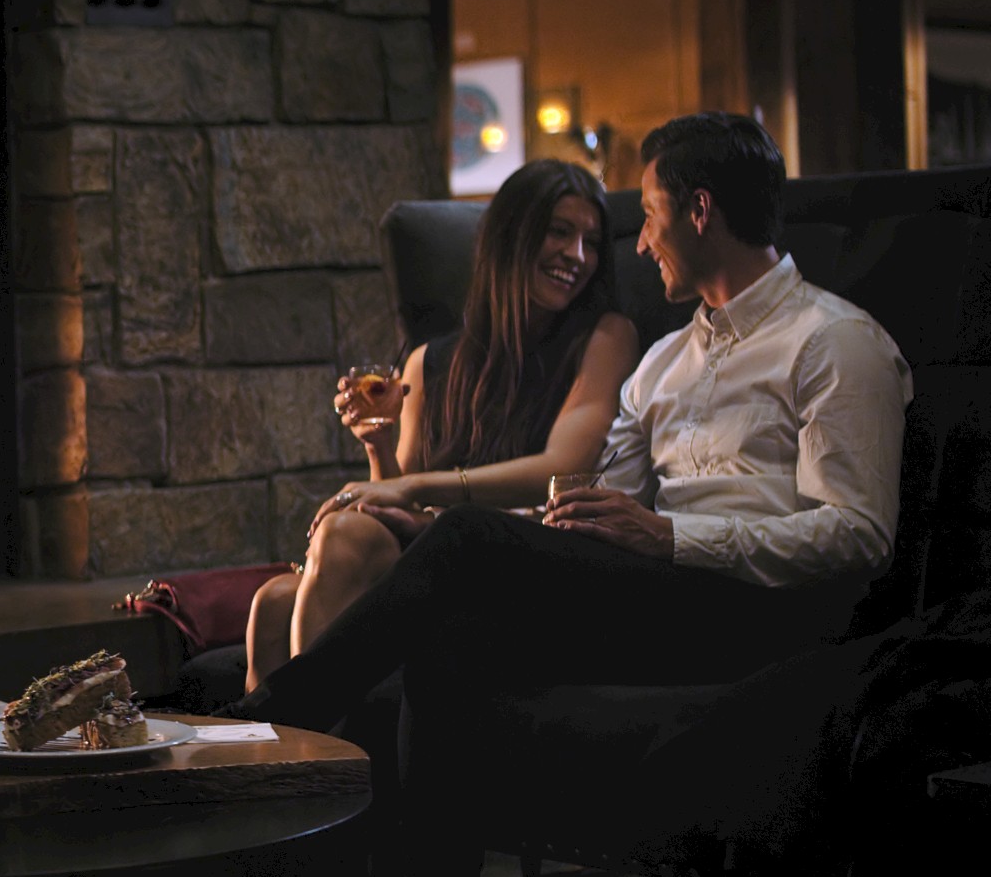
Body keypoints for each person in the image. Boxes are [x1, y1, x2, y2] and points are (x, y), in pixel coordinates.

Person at [222, 111, 913, 740]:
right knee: (452, 633)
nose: (639, 245)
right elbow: (579, 504)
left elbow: (859, 534)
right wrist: (429, 530)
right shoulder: (665, 362)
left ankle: (262, 729)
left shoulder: (834, 340)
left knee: (465, 534)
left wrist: (670, 534)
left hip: (762, 611)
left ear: (699, 211)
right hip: (656, 596)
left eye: (648, 216)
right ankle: (418, 873)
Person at [243, 159, 640, 691]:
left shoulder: (605, 337)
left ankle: (318, 754)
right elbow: (391, 502)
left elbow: (566, 465)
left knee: (341, 536)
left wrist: (416, 484)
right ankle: (279, 769)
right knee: (272, 603)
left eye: (591, 241)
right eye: (560, 233)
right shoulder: (429, 362)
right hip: (425, 547)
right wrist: (380, 449)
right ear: (510, 236)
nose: (578, 256)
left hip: (515, 555)